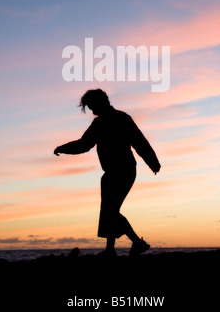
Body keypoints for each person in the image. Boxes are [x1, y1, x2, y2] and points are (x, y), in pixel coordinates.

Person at [54, 89, 161, 257]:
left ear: (101, 102)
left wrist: (152, 161)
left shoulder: (121, 118)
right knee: (109, 210)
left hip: (124, 169)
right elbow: (84, 144)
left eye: (91, 106)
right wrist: (64, 148)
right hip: (109, 172)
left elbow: (138, 140)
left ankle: (117, 248)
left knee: (110, 209)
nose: (91, 110)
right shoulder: (97, 124)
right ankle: (129, 245)